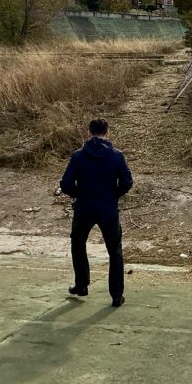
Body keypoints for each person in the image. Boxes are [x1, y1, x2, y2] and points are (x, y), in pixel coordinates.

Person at [59, 118, 133, 307]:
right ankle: (116, 295)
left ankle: (82, 284)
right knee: (114, 250)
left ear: (90, 132)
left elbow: (66, 184)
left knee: (78, 243)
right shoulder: (116, 156)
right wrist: (114, 195)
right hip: (108, 208)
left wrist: (78, 194)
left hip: (84, 207)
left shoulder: (78, 156)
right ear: (107, 132)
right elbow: (127, 182)